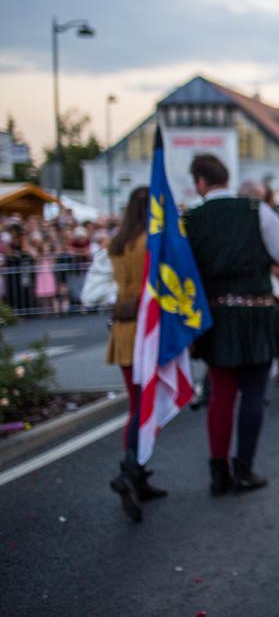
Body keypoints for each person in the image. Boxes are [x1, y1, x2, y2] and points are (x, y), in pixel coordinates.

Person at [186, 154, 279, 495]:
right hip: (256, 309)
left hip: (216, 313)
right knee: (254, 393)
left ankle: (218, 471)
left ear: (201, 182)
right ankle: (244, 468)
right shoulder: (255, 210)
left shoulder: (191, 218)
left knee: (222, 392)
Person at [101, 187, 168, 522]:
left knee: (137, 403)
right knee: (147, 406)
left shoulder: (117, 243)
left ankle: (137, 473)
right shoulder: (150, 242)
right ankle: (130, 470)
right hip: (146, 327)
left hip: (125, 329)